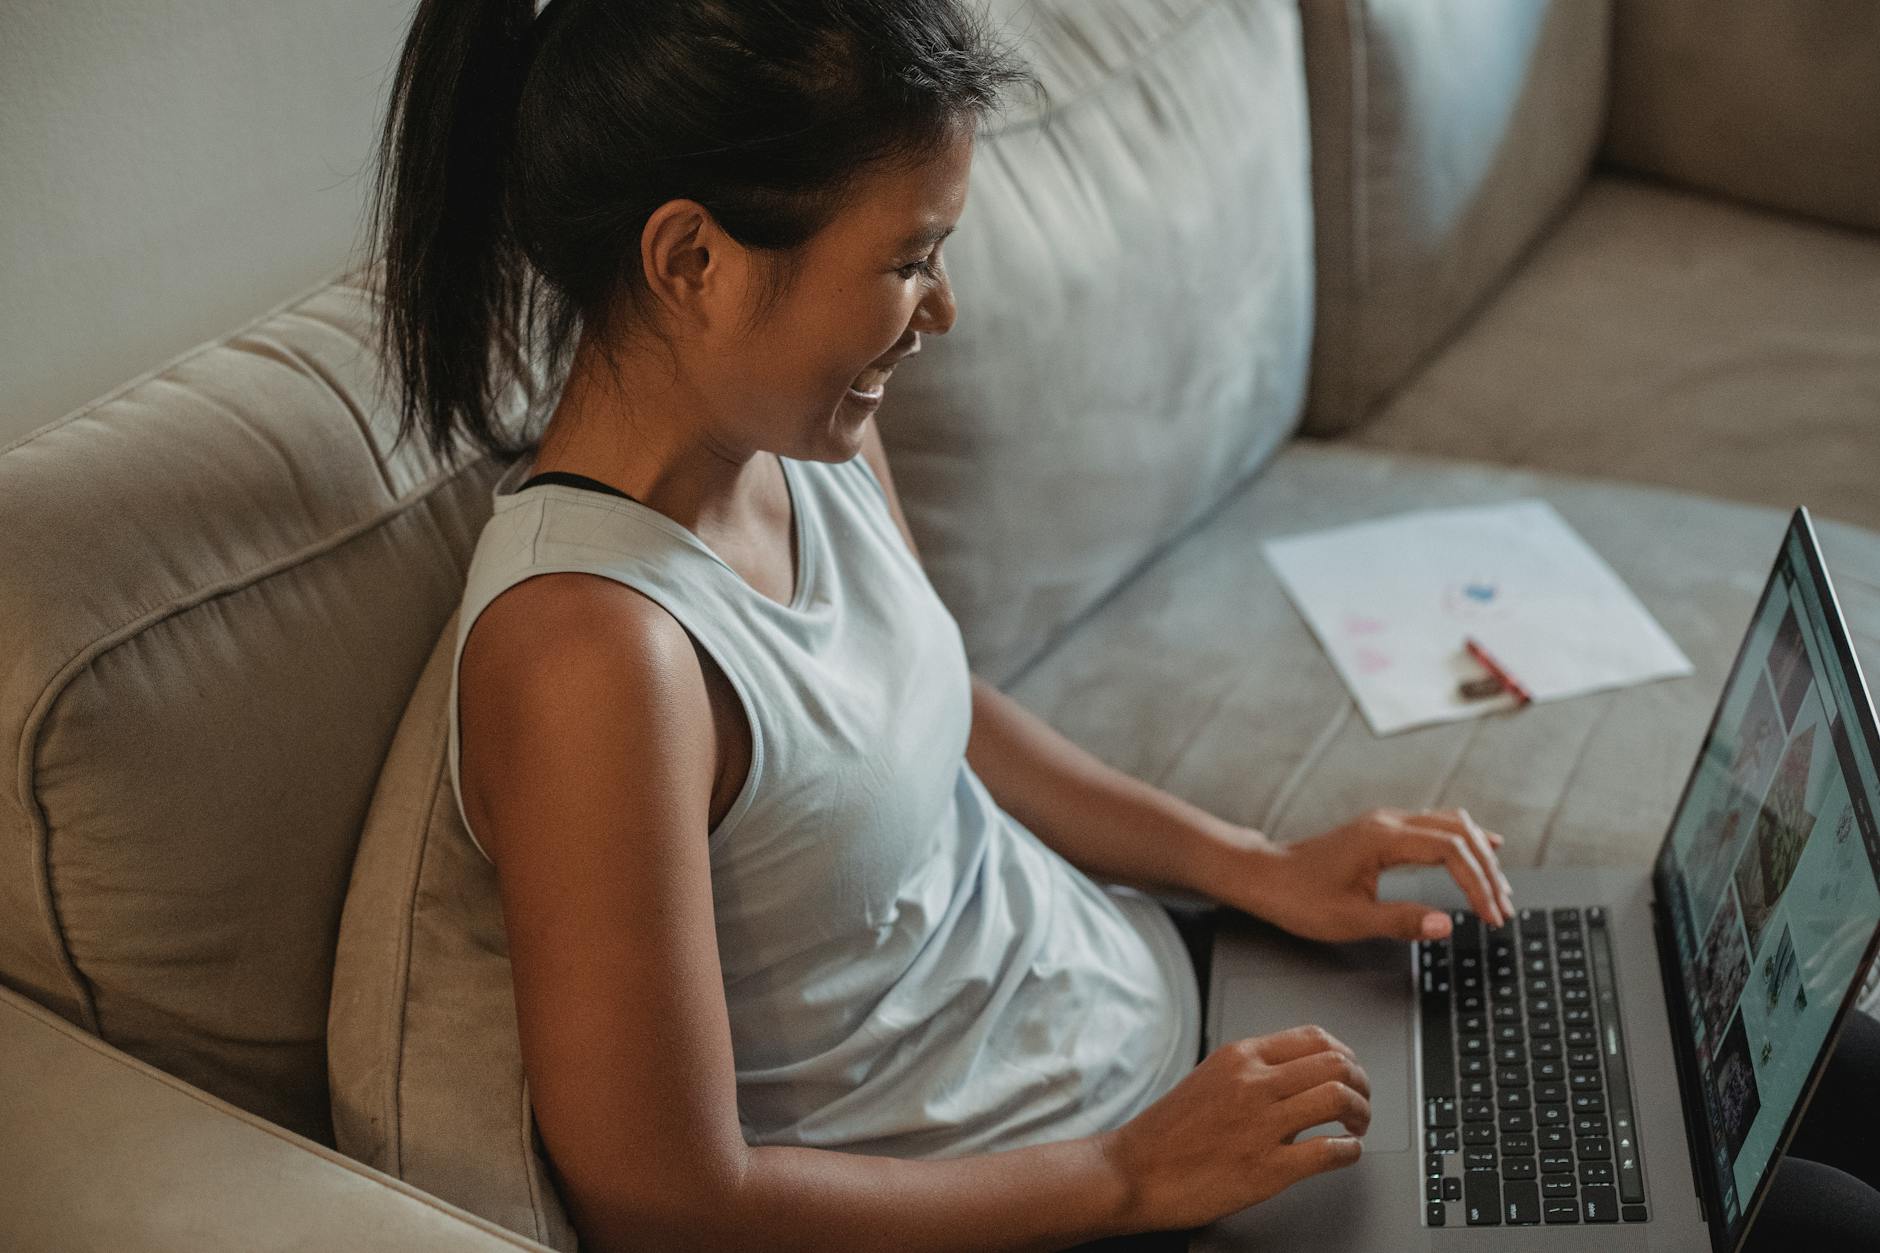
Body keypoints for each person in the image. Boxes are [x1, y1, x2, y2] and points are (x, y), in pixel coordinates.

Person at [354, 2, 1880, 1249]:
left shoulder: (802, 437)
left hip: (1184, 1015)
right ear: (691, 262)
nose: (937, 310)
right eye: (906, 258)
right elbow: (671, 1197)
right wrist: (1137, 1176)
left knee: (1812, 1060)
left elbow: (949, 715)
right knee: (1804, 1216)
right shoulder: (595, 656)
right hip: (1099, 1197)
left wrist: (1256, 867)